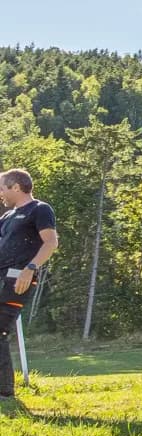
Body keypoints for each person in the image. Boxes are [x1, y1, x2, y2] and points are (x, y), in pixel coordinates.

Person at [0, 169, 58, 401]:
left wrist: (30, 269)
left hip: (17, 280)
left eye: (3, 188)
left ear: (16, 187)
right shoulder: (6, 217)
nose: (0, 193)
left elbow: (51, 242)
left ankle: (4, 393)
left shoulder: (40, 209)